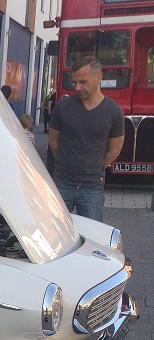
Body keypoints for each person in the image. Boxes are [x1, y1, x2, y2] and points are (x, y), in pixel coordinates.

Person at [48, 56, 125, 222]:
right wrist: (65, 162)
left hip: (92, 187)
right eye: (74, 82)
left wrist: (96, 166)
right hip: (62, 182)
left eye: (83, 82)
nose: (77, 87)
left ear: (99, 77)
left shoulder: (113, 112)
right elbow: (53, 141)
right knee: (55, 235)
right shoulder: (63, 107)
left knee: (93, 238)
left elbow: (115, 149)